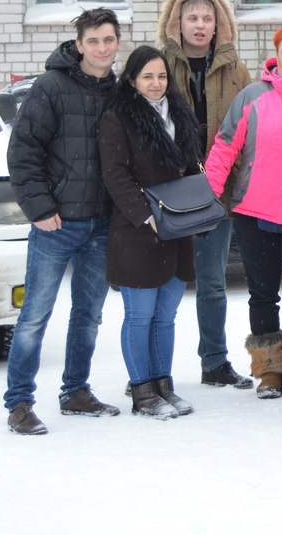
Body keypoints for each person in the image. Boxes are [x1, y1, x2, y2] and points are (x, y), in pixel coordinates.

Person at [4, 7, 123, 435]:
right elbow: (22, 153)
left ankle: (75, 391)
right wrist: (40, 209)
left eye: (108, 40)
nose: (101, 48)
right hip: (55, 224)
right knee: (35, 315)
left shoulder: (118, 91)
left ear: (117, 43)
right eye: (93, 41)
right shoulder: (51, 87)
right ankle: (19, 402)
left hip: (100, 225)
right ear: (79, 45)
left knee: (88, 315)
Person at [206, 21, 282, 399]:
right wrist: (209, 196)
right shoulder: (252, 97)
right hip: (255, 212)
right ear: (276, 55)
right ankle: (268, 371)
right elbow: (225, 147)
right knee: (262, 294)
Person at [157, 0, 254, 390]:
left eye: (207, 19)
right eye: (191, 18)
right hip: (168, 189)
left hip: (219, 191)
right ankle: (150, 370)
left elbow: (251, 128)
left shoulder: (236, 69)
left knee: (213, 282)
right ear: (176, 23)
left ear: (219, 25)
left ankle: (214, 361)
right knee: (161, 283)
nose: (199, 26)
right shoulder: (158, 62)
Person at [97, 45, 202, 420]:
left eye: (161, 76)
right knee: (140, 316)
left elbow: (191, 168)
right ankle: (143, 393)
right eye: (147, 77)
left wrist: (193, 209)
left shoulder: (180, 115)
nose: (156, 84)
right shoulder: (118, 117)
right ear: (131, 80)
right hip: (138, 231)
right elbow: (116, 175)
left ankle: (164, 387)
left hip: (177, 228)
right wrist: (145, 215)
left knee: (165, 317)